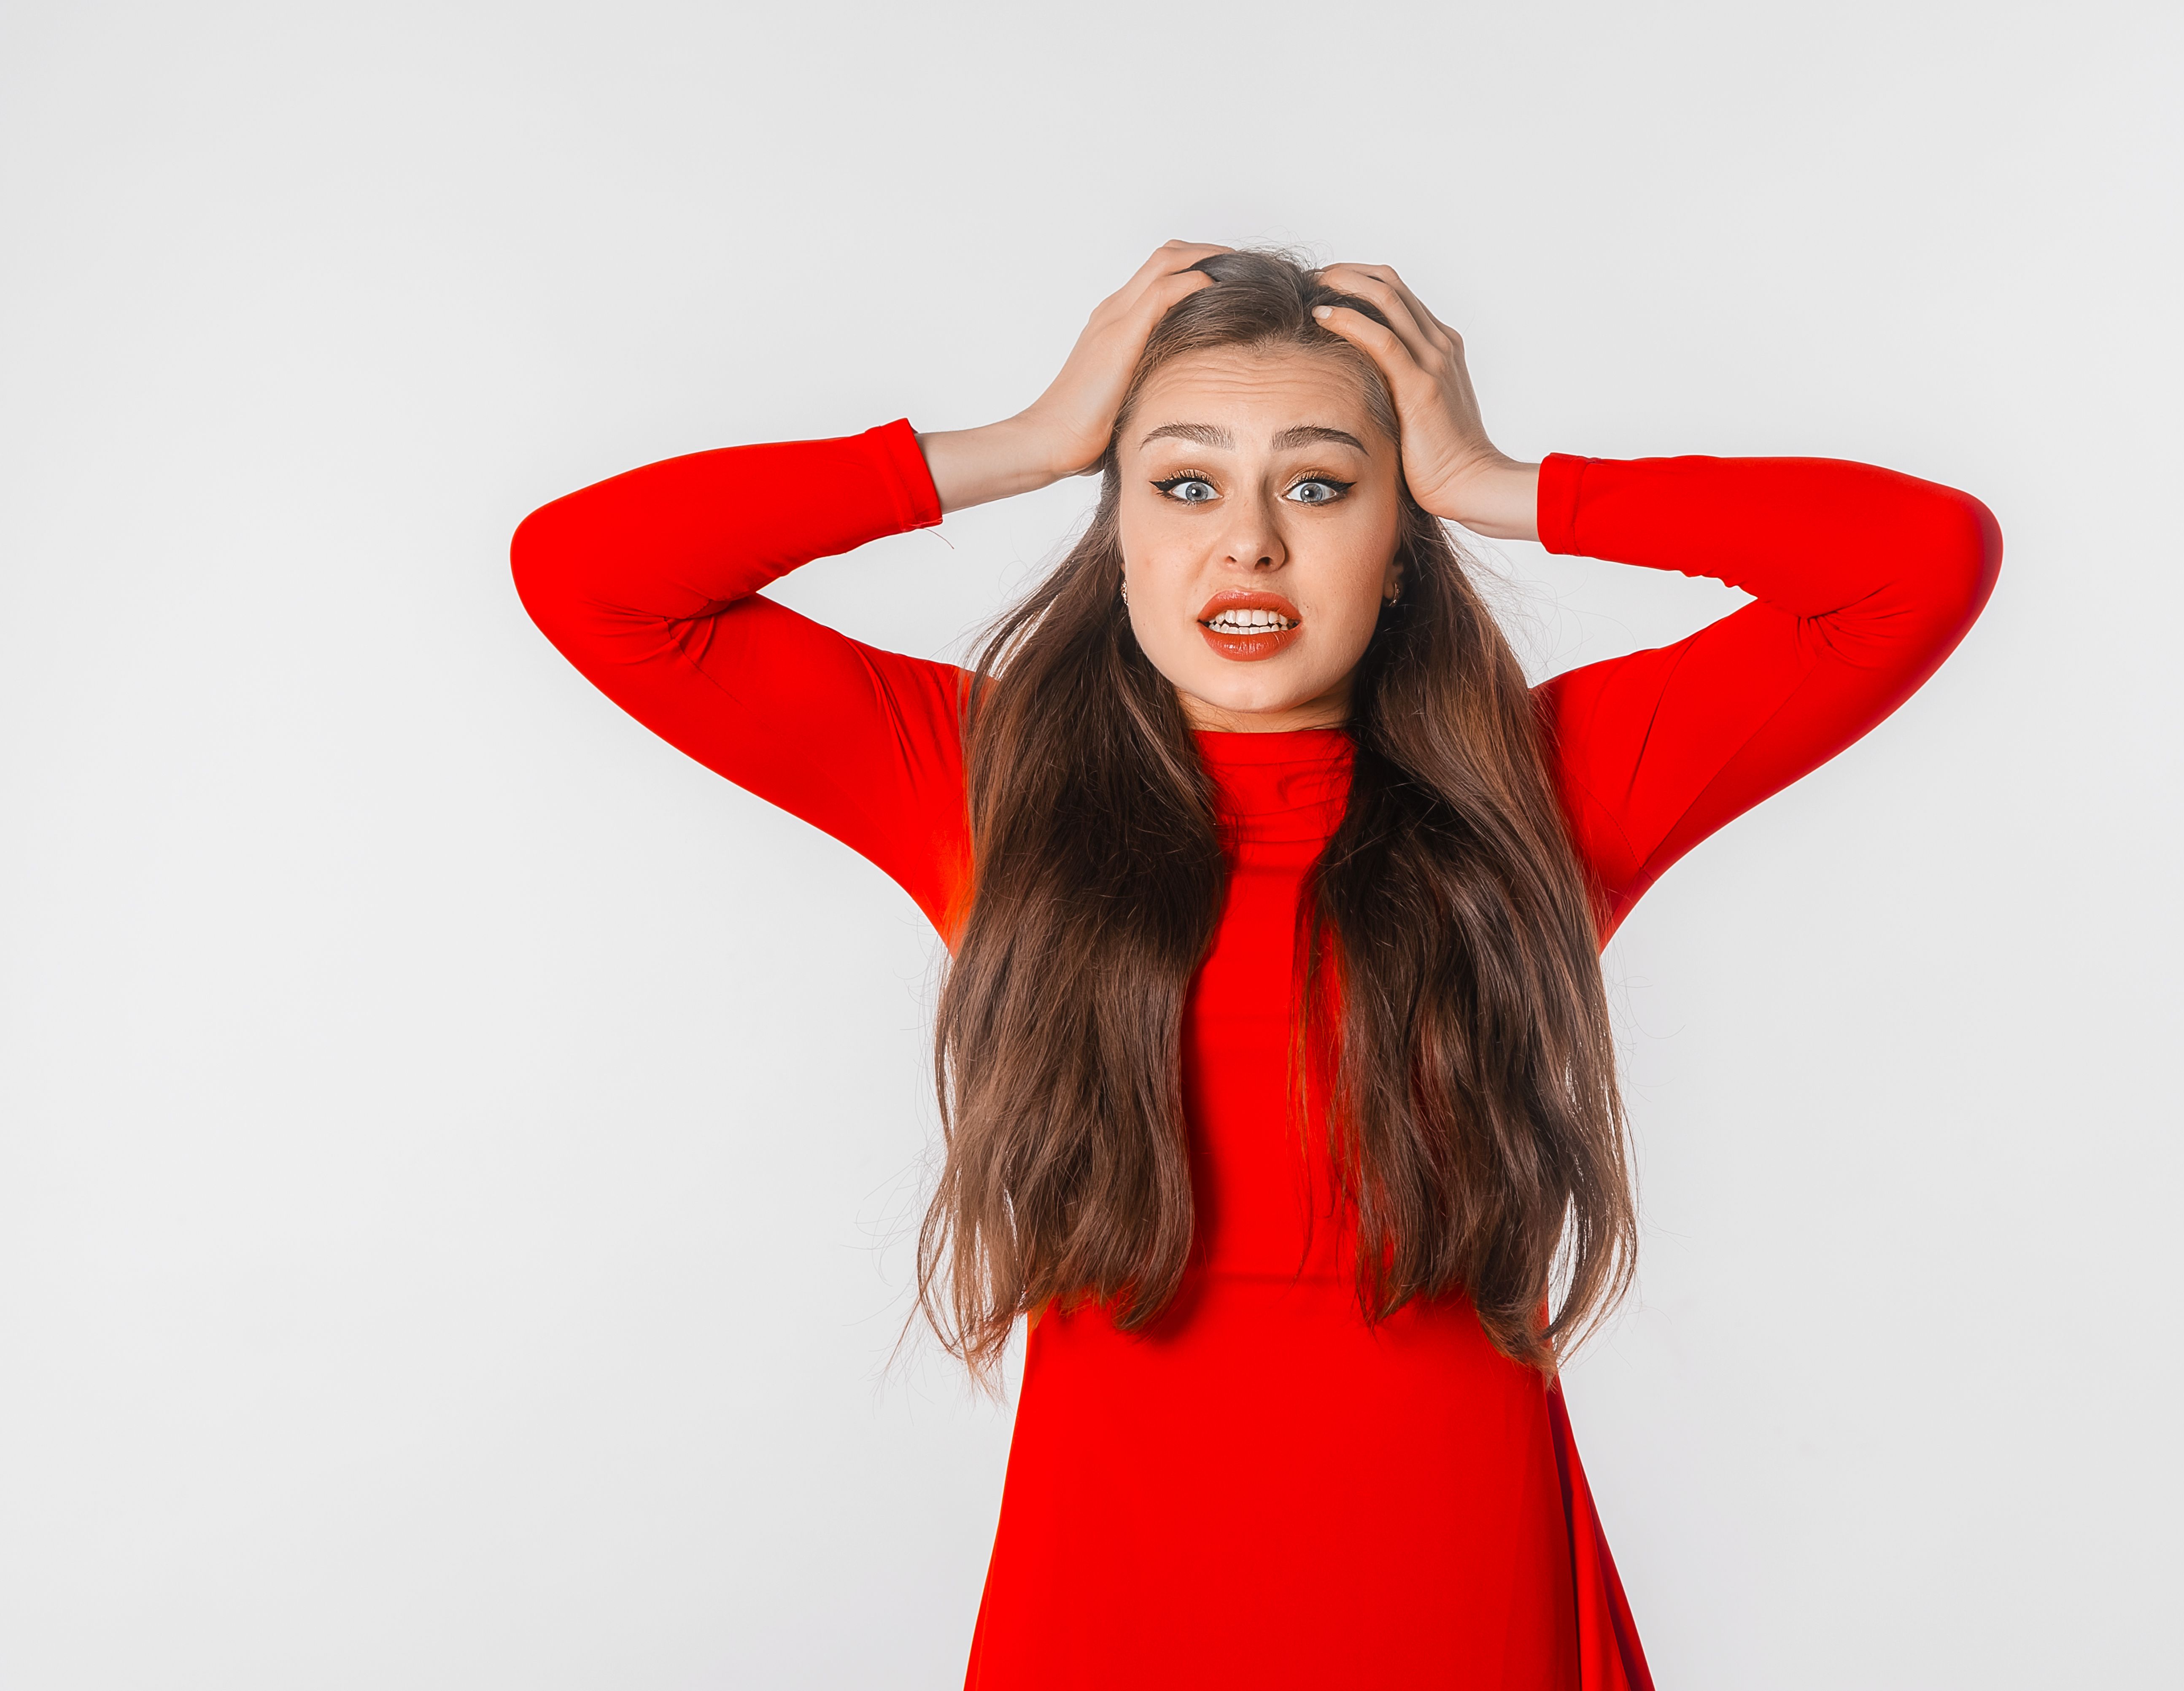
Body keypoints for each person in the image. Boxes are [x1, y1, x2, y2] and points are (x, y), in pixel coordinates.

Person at [512, 242, 2001, 1689]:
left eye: (1319, 483)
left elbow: (1918, 562)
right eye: (1182, 483)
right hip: (1114, 1578)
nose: (1249, 542)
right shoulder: (991, 786)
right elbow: (593, 575)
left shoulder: (1537, 792)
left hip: (1450, 1562)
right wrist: (1024, 443)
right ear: (1119, 533)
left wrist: (1501, 486)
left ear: (1401, 542)